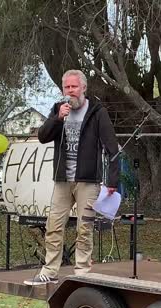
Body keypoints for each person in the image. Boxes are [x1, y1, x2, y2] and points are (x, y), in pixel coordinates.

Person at [24, 69, 120, 286]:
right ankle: (49, 271)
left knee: (84, 227)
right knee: (54, 225)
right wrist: (57, 119)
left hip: (88, 180)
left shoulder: (97, 112)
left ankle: (83, 273)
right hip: (62, 180)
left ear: (83, 88)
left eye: (74, 87)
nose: (70, 91)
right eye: (67, 87)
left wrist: (113, 180)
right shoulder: (58, 110)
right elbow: (42, 137)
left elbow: (111, 147)